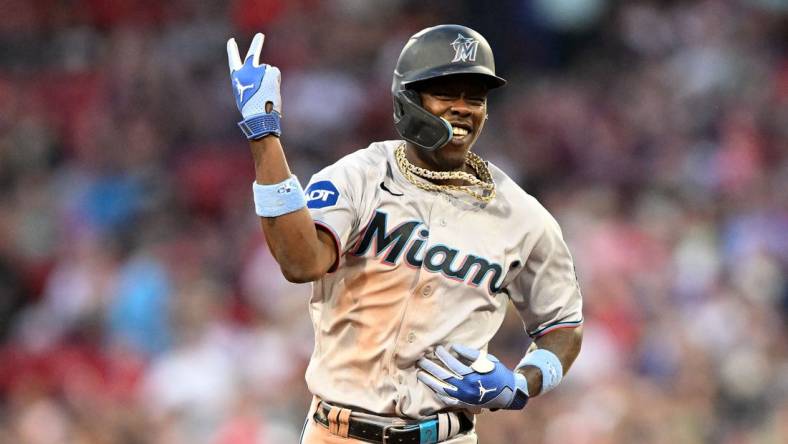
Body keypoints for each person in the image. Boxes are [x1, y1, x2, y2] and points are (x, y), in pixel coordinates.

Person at [226, 24, 583, 444]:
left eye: (475, 97)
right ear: (408, 99)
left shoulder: (523, 216)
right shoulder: (358, 176)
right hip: (339, 433)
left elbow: (563, 327)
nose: (464, 108)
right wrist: (264, 138)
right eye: (447, 94)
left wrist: (522, 384)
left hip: (446, 436)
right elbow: (301, 262)